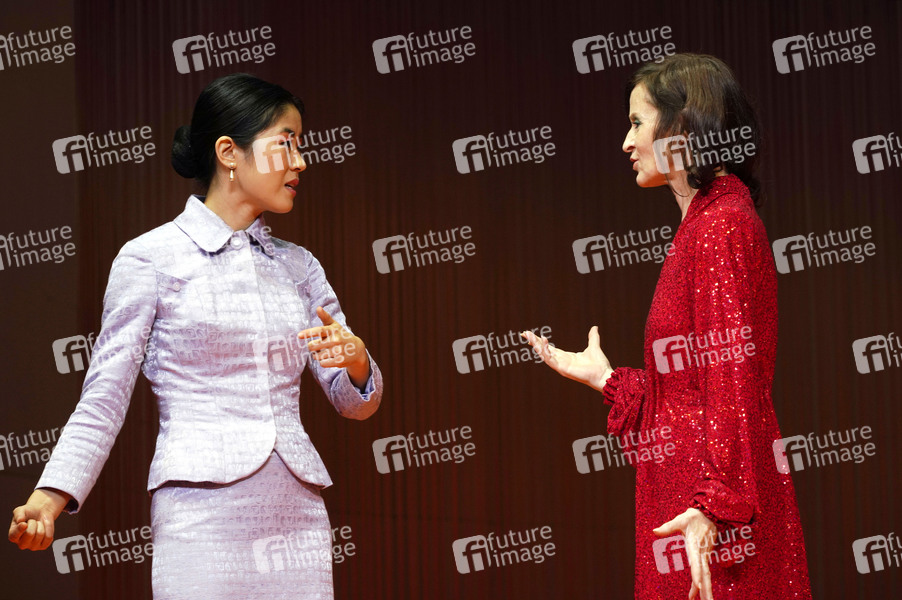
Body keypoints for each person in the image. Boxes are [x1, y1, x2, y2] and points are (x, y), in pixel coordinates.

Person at [8, 73, 382, 599]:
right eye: (286, 143)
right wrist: (50, 497)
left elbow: (353, 403)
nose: (300, 161)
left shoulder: (300, 267)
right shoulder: (150, 258)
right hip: (200, 511)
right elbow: (103, 398)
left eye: (300, 145)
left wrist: (358, 362)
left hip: (296, 511)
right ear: (229, 152)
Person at [522, 54, 811, 599]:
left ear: (682, 126)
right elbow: (688, 394)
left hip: (708, 512)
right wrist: (605, 379)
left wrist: (714, 505)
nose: (626, 143)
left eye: (637, 122)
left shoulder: (720, 226)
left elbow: (732, 383)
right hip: (692, 494)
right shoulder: (704, 224)